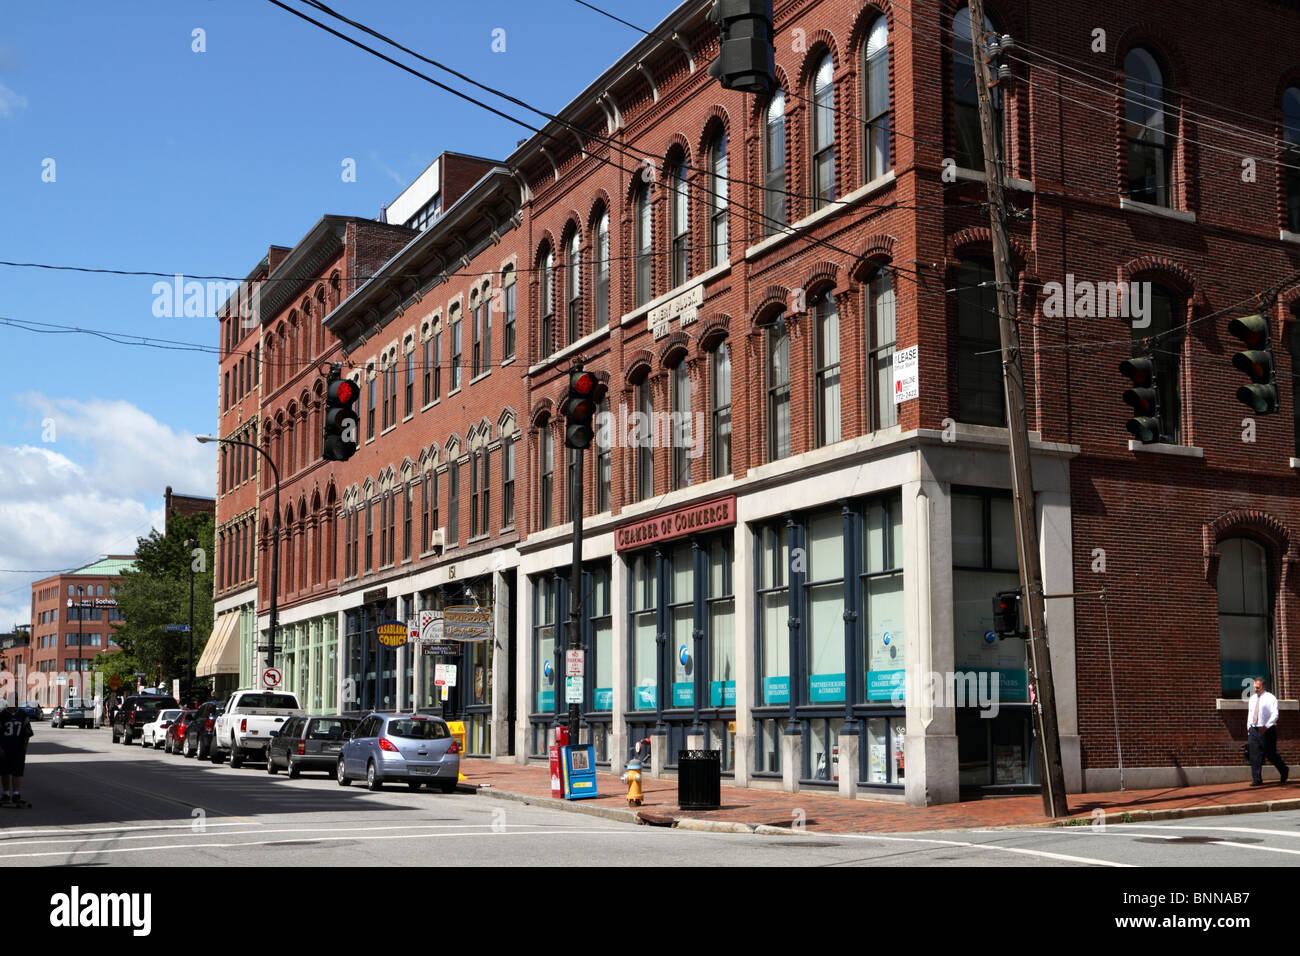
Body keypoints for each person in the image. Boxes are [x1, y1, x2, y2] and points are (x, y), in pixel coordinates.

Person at [1247, 676, 1289, 787]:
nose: (1255, 689)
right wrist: (1249, 728)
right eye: (1254, 687)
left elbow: (1275, 714)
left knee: (1270, 754)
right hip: (1254, 729)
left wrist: (1266, 726)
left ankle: (1284, 770)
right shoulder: (1252, 699)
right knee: (1254, 755)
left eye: (1257, 687)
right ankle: (1257, 779)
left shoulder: (1271, 698)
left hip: (1266, 730)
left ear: (1263, 686)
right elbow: (1250, 714)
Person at [0, 698, 35, 808]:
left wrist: (24, 747)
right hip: (5, 748)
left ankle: (16, 793)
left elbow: (28, 732)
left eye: (15, 702)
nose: (13, 705)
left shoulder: (23, 715)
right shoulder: (2, 715)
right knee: (4, 771)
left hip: (18, 748)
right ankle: (6, 793)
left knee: (17, 771)